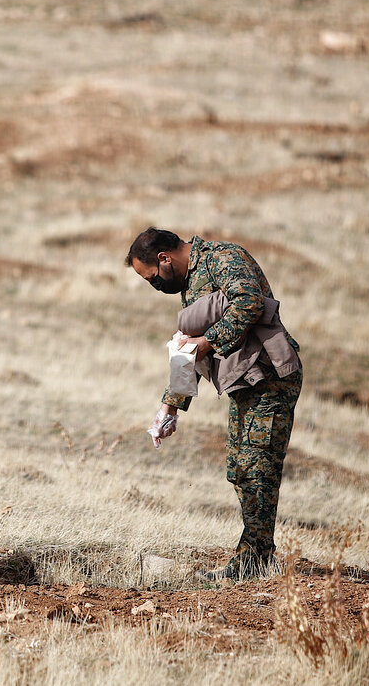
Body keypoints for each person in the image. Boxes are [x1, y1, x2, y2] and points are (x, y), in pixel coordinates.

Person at [126, 227, 303, 581]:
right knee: (241, 472)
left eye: (152, 278)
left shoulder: (223, 258)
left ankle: (253, 563)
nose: (155, 285)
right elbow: (188, 347)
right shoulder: (191, 284)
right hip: (245, 385)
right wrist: (169, 407)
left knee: (257, 472)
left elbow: (249, 302)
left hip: (270, 380)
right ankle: (256, 558)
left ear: (165, 258)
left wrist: (208, 343)